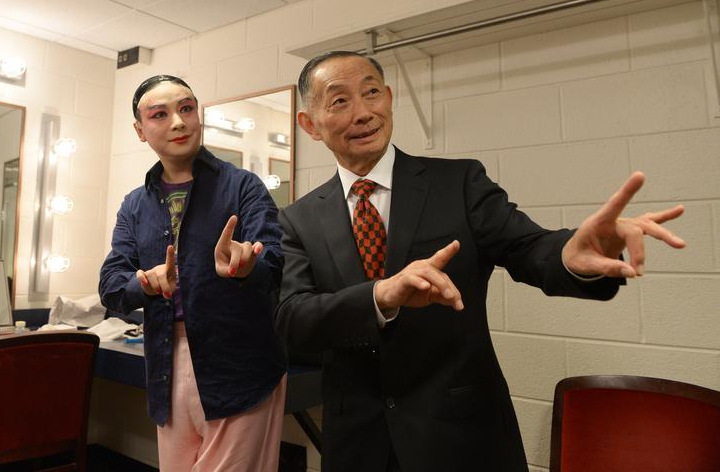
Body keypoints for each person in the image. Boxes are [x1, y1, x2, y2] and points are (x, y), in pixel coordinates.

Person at [275, 51, 686, 472]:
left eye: (372, 93)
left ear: (390, 99)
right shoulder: (297, 219)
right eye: (340, 101)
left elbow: (529, 249)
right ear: (310, 124)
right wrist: (379, 296)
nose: (363, 113)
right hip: (358, 447)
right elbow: (292, 320)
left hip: (462, 438)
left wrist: (575, 254)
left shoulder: (460, 183)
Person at [99, 75, 288, 471]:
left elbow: (273, 265)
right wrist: (145, 282)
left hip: (239, 365)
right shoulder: (134, 206)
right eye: (160, 114)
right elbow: (112, 287)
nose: (179, 122)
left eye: (186, 109)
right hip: (166, 367)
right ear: (140, 130)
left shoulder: (244, 187)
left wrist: (245, 264)